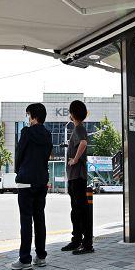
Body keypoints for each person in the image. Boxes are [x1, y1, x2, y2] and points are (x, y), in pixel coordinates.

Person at [11, 103, 53, 270]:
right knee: (40, 218)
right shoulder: (48, 135)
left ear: (34, 116)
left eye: (29, 115)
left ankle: (25, 259)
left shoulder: (26, 132)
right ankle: (41, 256)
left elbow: (19, 153)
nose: (28, 119)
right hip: (41, 180)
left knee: (26, 220)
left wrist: (18, 170)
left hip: (26, 179)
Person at [61, 100, 94, 255]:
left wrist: (74, 160)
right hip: (74, 177)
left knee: (81, 210)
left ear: (73, 113)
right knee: (76, 210)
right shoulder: (76, 128)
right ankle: (76, 240)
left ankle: (87, 243)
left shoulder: (79, 128)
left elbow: (83, 143)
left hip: (78, 176)